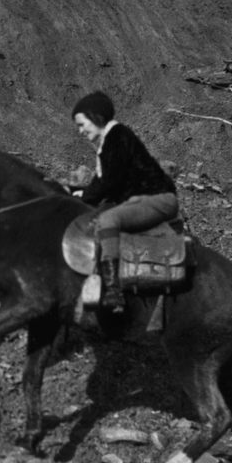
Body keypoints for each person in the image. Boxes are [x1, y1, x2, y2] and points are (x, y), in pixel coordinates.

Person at [70, 91, 179, 312]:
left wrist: (86, 195)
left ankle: (113, 291)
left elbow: (109, 181)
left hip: (156, 198)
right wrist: (78, 192)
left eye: (83, 124)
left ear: (96, 117)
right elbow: (102, 182)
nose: (81, 131)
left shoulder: (118, 136)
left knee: (108, 219)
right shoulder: (108, 143)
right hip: (140, 199)